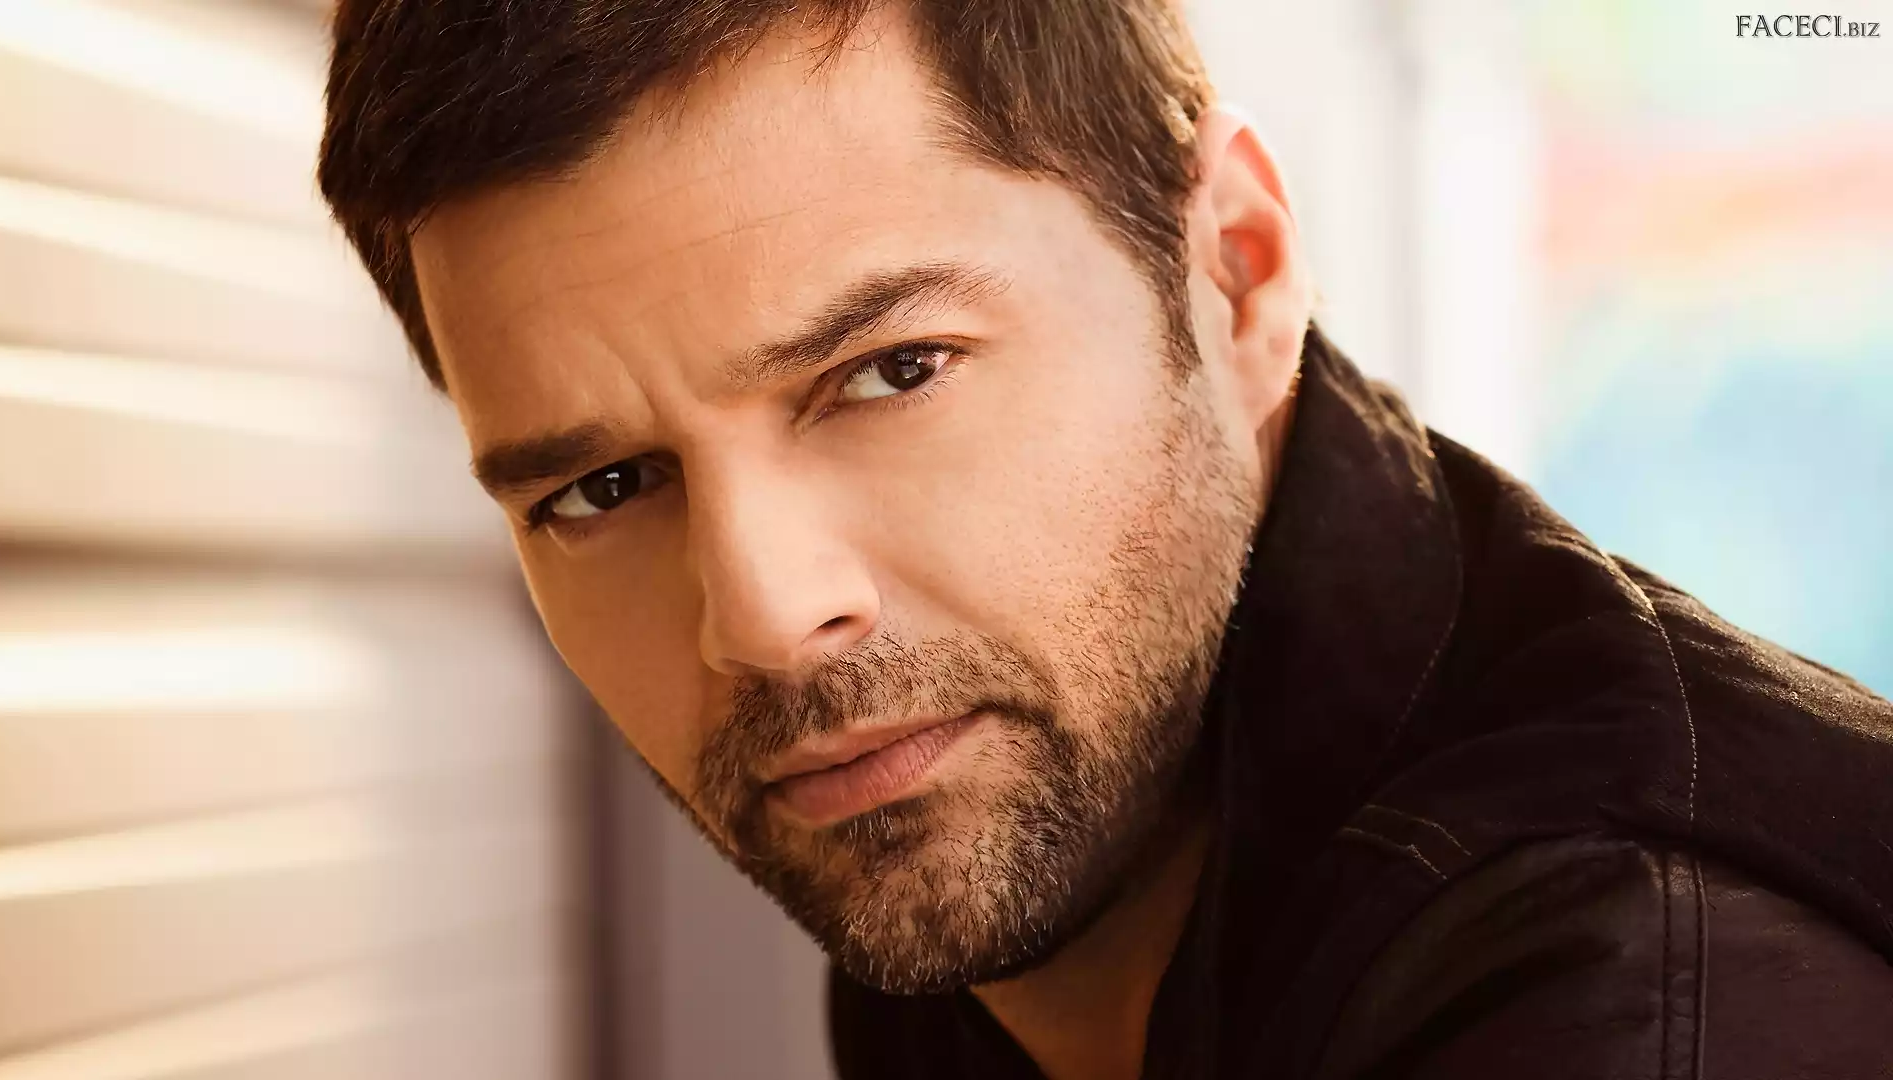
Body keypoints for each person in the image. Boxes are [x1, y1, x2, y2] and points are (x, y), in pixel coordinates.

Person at [317, 2, 1893, 1077]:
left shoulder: (1646, 998)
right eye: (601, 490)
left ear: (1237, 273)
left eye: (892, 373)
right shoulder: (1008, 838)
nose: (765, 614)